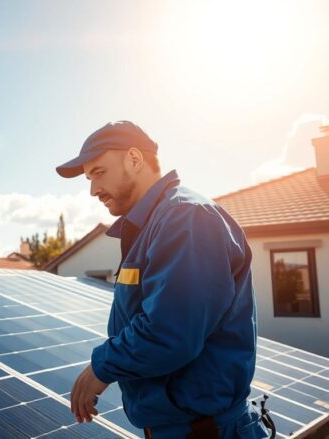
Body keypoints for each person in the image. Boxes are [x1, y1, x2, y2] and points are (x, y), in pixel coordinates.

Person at [59, 121, 271, 438]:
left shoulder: (186, 218)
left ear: (134, 158)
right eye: (89, 179)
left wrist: (100, 368)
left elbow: (170, 332)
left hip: (205, 432)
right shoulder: (155, 224)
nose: (92, 190)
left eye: (99, 173)